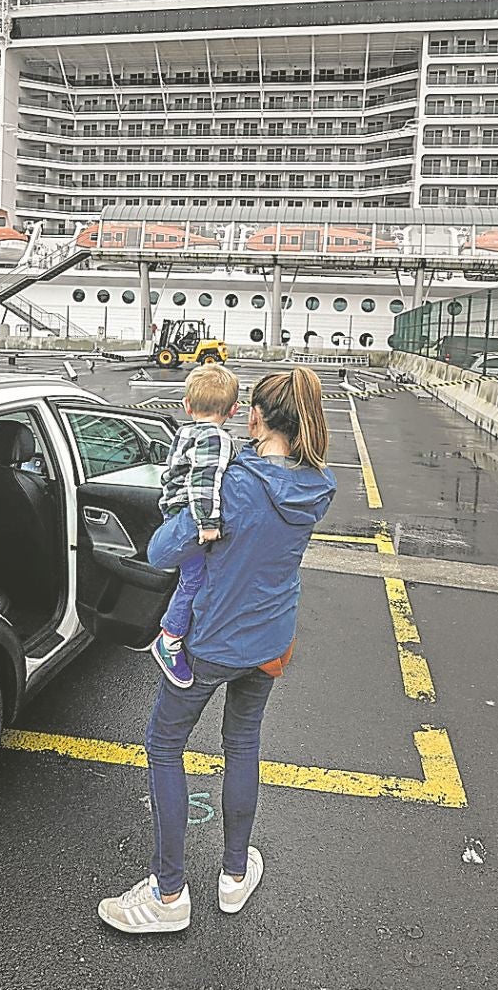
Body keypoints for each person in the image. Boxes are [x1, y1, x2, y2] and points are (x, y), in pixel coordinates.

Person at [98, 367, 335, 934]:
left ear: (253, 417)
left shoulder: (229, 481)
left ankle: (169, 893)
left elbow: (161, 550)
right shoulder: (318, 483)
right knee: (243, 742)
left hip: (211, 641)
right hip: (272, 637)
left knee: (164, 745)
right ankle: (233, 875)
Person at [147, 363, 241, 688]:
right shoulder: (217, 437)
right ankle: (170, 639)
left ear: (187, 406)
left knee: (194, 578)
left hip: (174, 514)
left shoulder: (184, 431)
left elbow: (172, 475)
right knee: (193, 581)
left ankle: (183, 631)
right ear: (234, 409)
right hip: (191, 518)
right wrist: (208, 524)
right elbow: (204, 482)